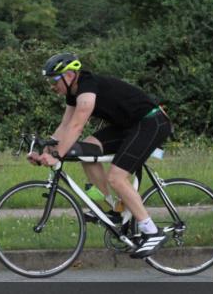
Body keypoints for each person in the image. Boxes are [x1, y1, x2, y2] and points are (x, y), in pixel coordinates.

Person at [29, 52, 173, 258]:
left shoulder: (87, 88)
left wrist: (57, 155)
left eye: (54, 80)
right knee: (87, 151)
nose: (52, 86)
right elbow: (65, 126)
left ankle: (151, 231)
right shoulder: (73, 93)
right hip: (129, 126)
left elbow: (77, 126)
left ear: (69, 75)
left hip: (151, 122)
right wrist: (44, 153)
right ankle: (113, 209)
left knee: (116, 177)